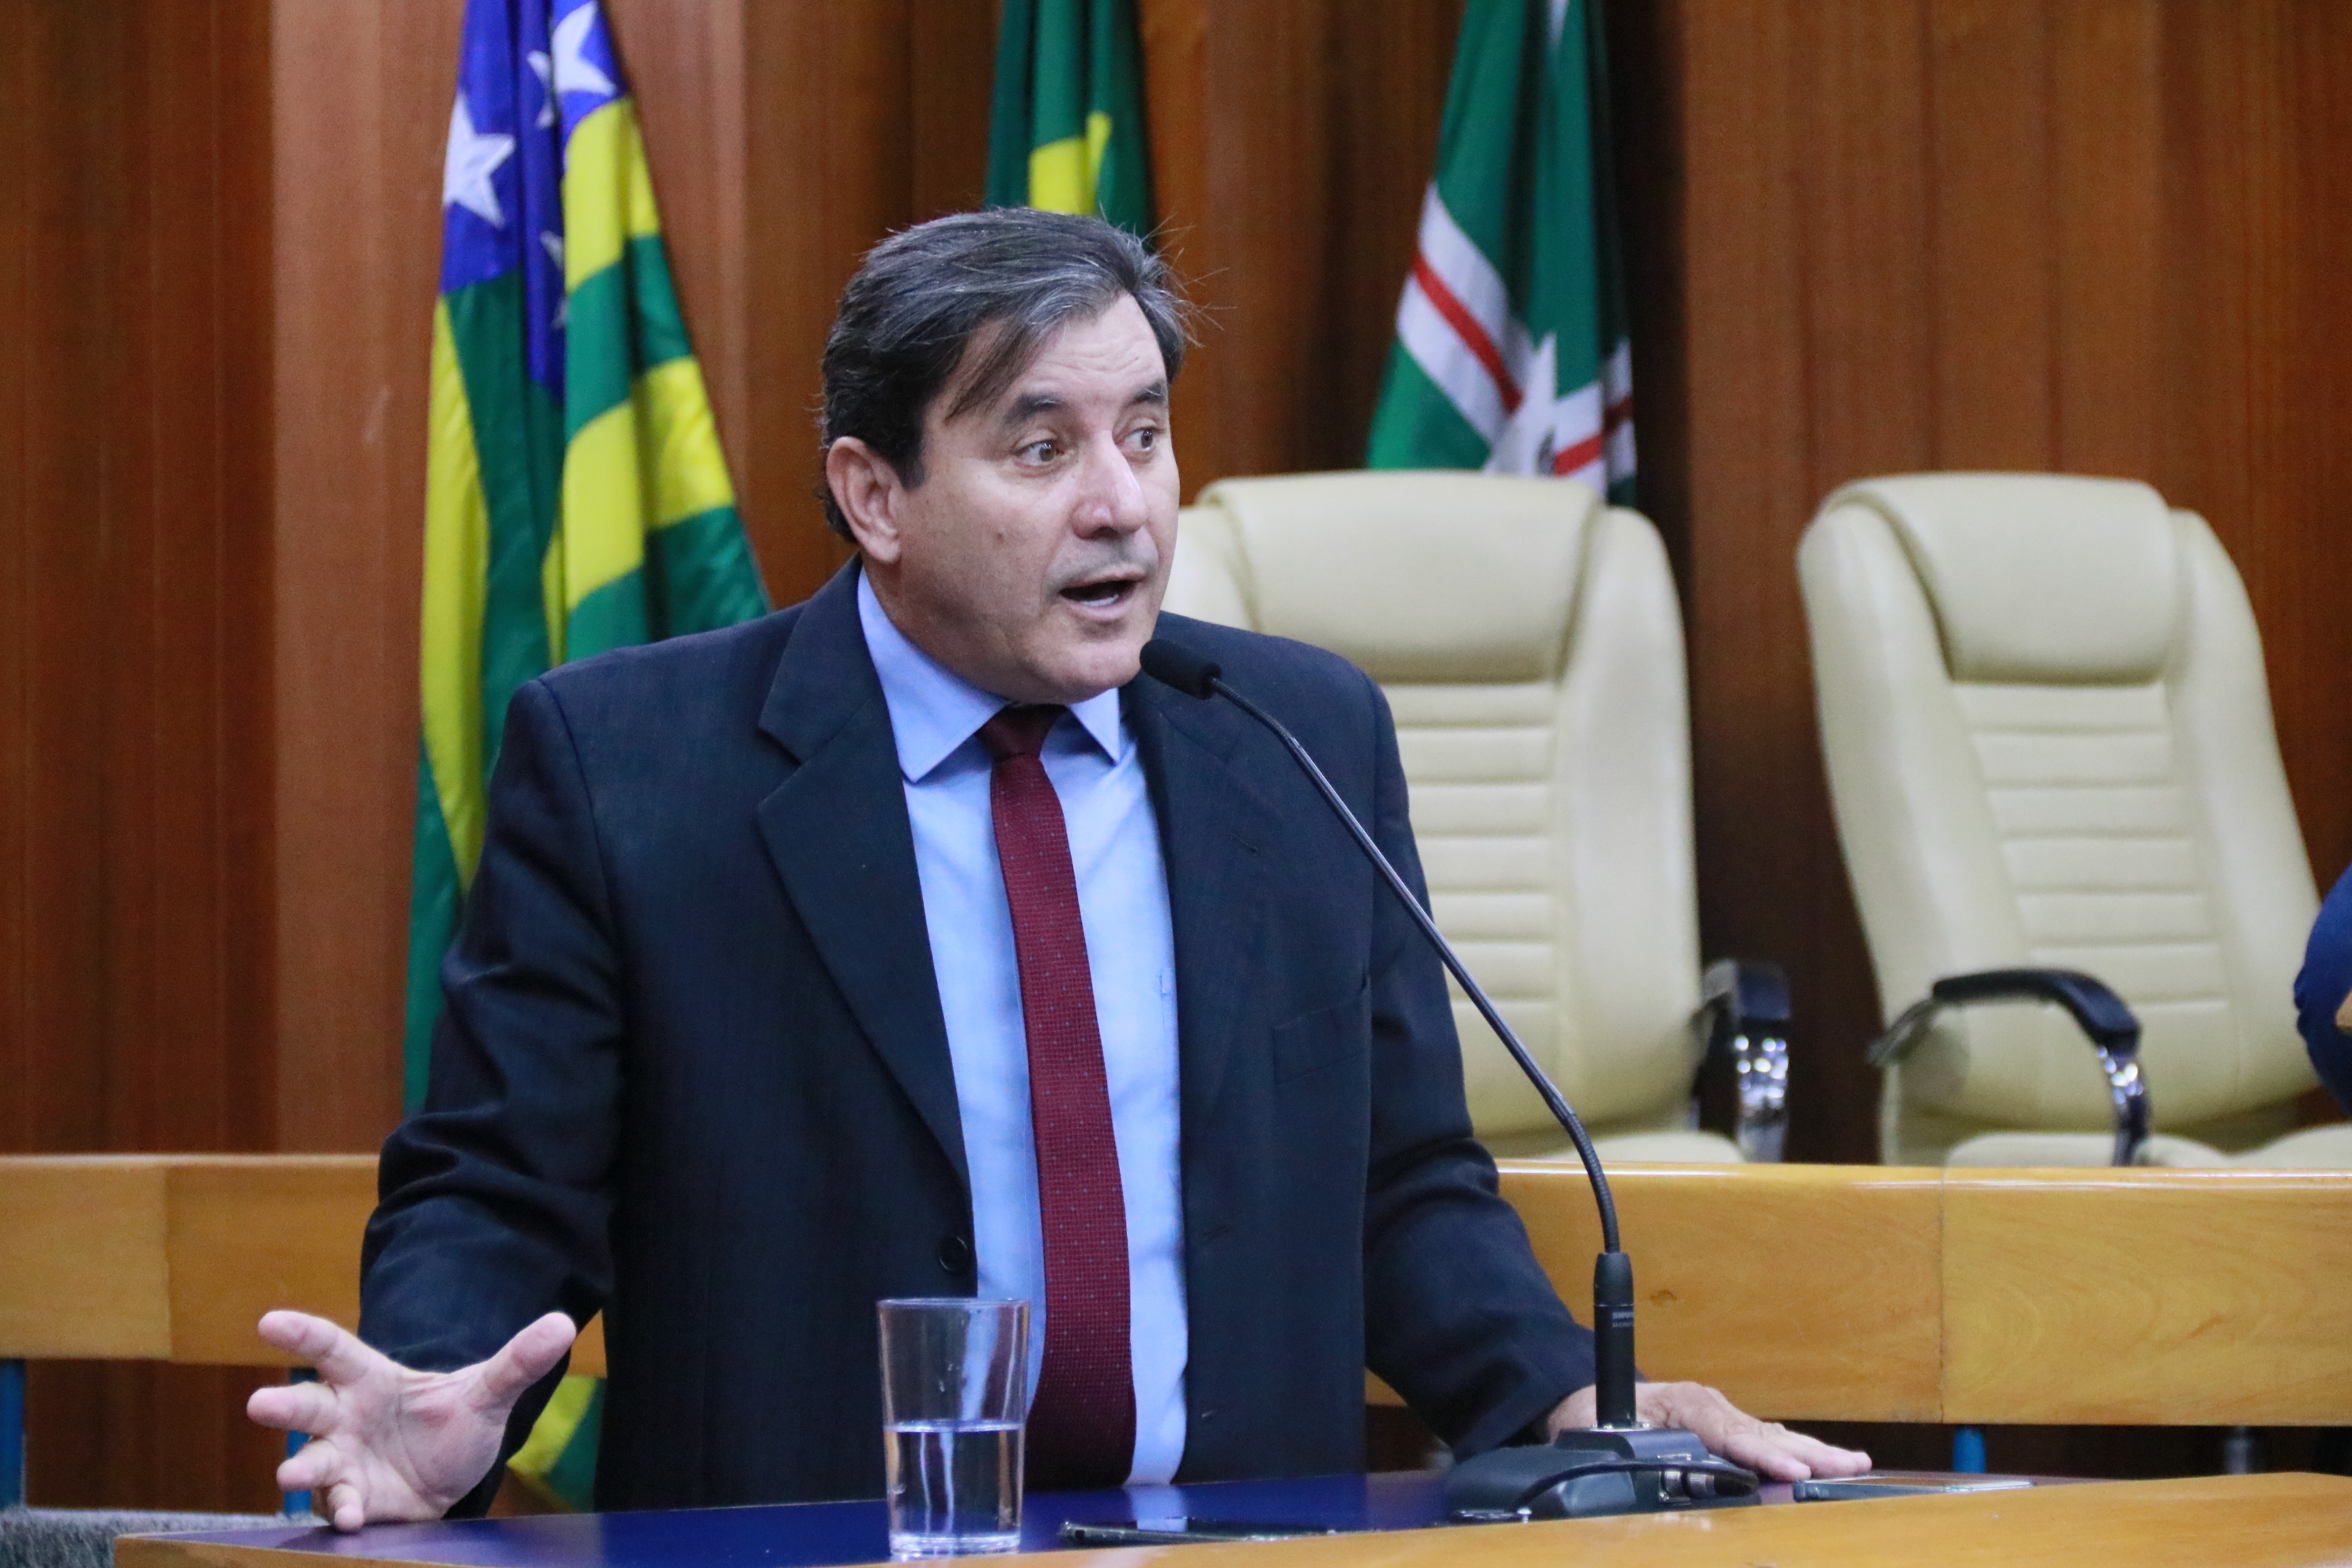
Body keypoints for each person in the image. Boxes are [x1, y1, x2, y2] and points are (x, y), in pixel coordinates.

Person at [247, 209, 1867, 1531]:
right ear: (874, 494)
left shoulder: (1297, 736)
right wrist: (434, 1386)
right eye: (1041, 447)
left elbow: (1400, 1183)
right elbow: (499, 1184)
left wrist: (1572, 1397)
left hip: (1232, 1541)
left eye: (1144, 436)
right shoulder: (635, 766)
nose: (1122, 506)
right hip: (813, 1543)